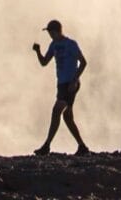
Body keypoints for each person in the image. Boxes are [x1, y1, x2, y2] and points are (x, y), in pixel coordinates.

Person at [32, 19, 90, 155]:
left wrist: (74, 80)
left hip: (71, 84)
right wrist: (38, 51)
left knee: (56, 110)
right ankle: (82, 147)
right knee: (67, 117)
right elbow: (44, 62)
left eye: (51, 32)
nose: (50, 36)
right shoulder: (54, 45)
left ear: (56, 31)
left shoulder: (71, 44)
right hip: (61, 84)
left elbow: (83, 62)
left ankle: (46, 146)